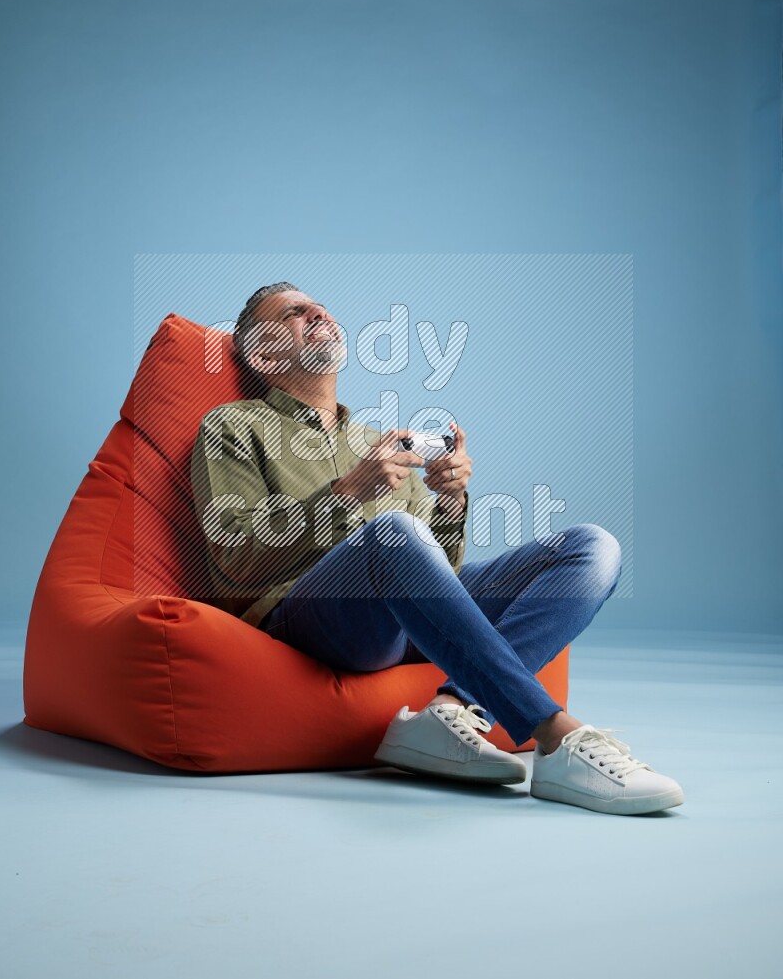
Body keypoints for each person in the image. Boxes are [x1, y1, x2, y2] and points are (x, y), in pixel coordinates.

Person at [190, 282, 684, 815]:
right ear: (263, 353)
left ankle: (447, 711)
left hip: (406, 622)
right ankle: (556, 734)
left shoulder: (378, 443)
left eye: (320, 307)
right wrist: (349, 493)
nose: (318, 313)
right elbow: (232, 554)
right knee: (394, 532)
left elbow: (439, 579)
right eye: (294, 313)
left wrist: (449, 503)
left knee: (591, 546)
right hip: (305, 620)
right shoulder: (232, 426)